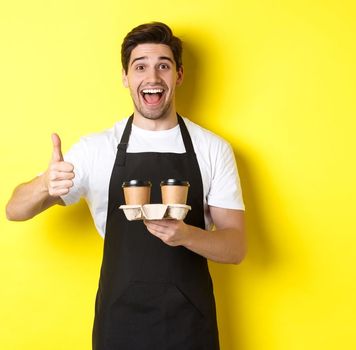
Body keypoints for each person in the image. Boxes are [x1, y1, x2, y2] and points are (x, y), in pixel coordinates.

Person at [5, 22, 246, 349]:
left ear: (179, 75)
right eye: (140, 66)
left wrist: (186, 234)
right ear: (125, 77)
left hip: (190, 326)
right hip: (119, 324)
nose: (152, 76)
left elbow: (235, 247)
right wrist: (45, 184)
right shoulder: (96, 149)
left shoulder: (212, 148)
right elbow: (14, 210)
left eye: (163, 65)